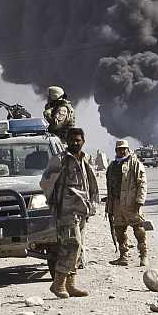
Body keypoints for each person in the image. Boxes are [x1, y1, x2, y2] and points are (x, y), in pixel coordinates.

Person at [40, 127, 99, 299]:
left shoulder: (84, 159)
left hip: (81, 211)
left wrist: (92, 203)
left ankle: (71, 285)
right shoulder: (59, 160)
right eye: (72, 140)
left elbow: (90, 182)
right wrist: (54, 202)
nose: (75, 142)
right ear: (67, 141)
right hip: (67, 212)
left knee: (79, 248)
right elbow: (45, 183)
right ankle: (58, 284)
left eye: (78, 140)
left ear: (83, 141)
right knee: (70, 245)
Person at [105, 139, 148, 267]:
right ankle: (123, 256)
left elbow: (142, 183)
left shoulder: (135, 164)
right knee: (119, 230)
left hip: (131, 203)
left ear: (128, 150)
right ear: (116, 151)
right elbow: (110, 185)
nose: (121, 151)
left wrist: (140, 201)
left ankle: (143, 255)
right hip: (117, 204)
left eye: (124, 148)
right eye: (119, 149)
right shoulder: (112, 166)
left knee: (139, 230)